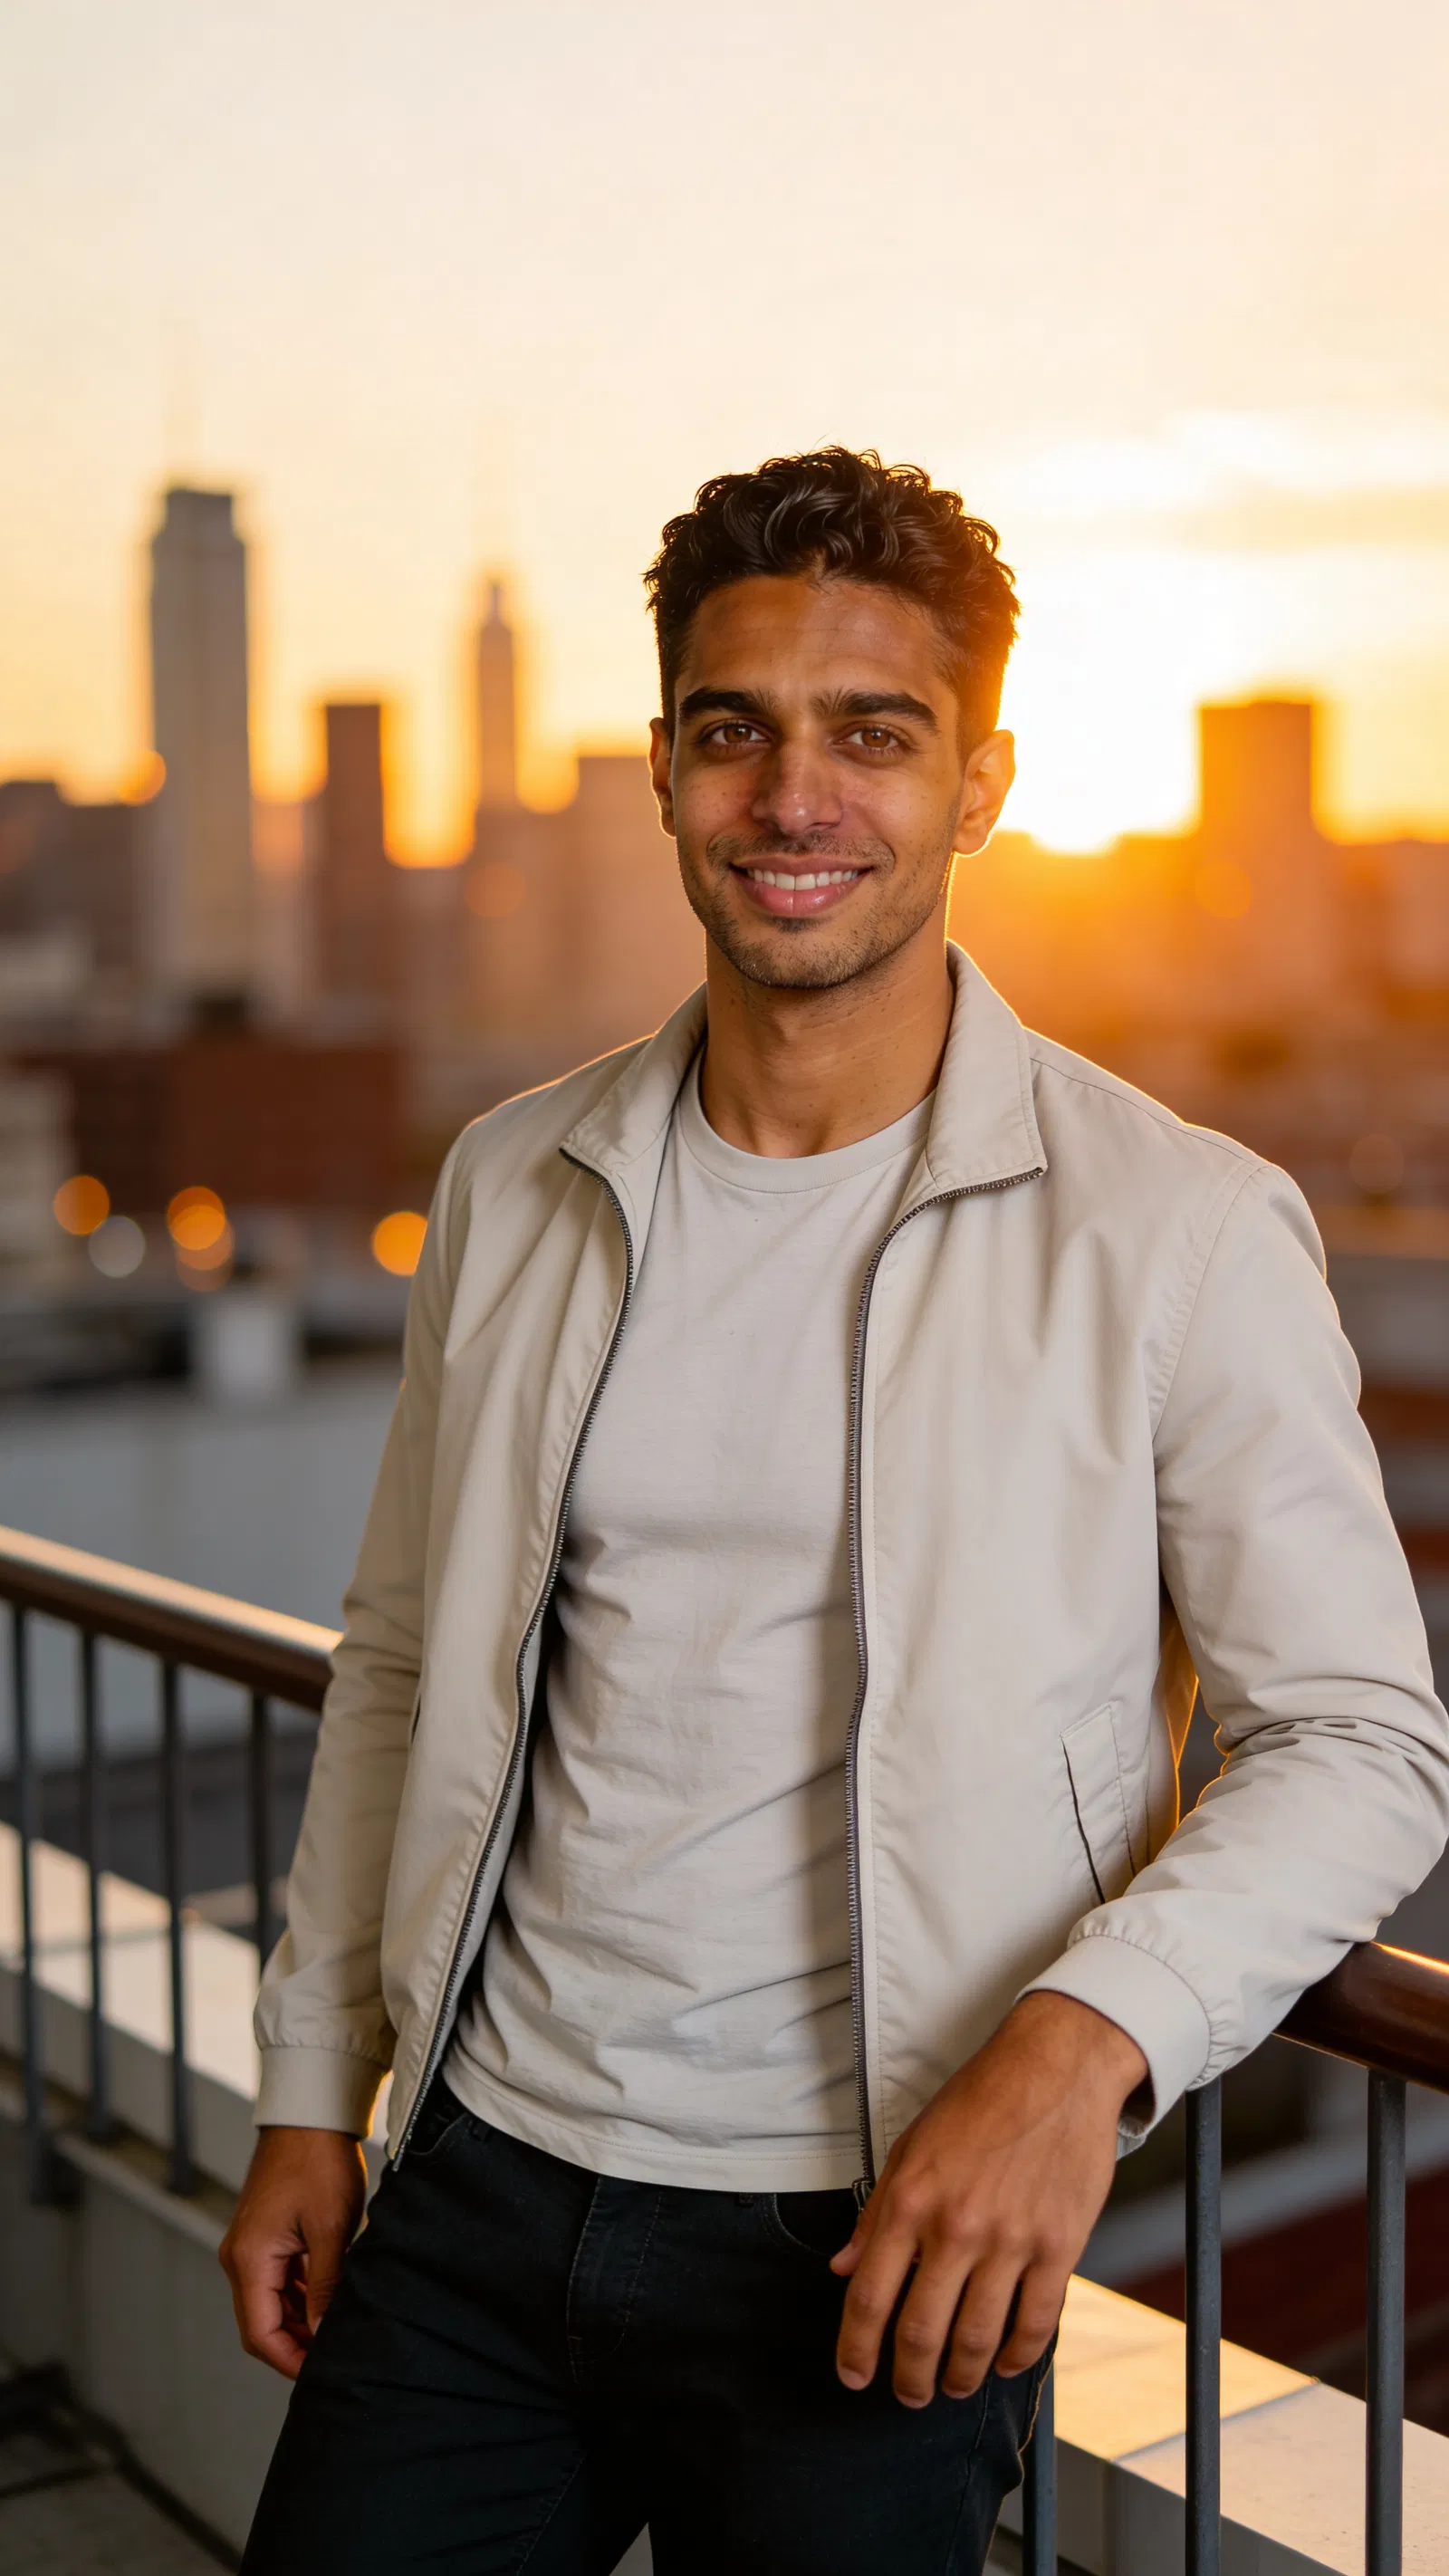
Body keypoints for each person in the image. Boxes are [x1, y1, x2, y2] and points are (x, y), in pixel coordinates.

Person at [224, 448, 1449, 2576]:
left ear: (977, 786)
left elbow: (1356, 1739)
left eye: (871, 735)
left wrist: (1079, 2051)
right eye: (735, 730)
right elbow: (406, 1656)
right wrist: (313, 2090)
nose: (794, 795)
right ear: (664, 769)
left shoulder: (1170, 1229)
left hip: (881, 2242)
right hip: (476, 2177)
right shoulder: (519, 1181)